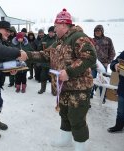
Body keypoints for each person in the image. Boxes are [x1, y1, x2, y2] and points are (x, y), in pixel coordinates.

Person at [25, 9, 96, 151]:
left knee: (77, 118)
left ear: (63, 25)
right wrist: (26, 55)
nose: (55, 29)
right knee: (65, 114)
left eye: (56, 26)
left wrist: (69, 72)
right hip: (64, 87)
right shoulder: (59, 42)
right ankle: (65, 139)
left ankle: (80, 147)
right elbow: (45, 55)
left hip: (78, 88)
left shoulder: (78, 37)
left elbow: (89, 56)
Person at [91, 25, 116, 102]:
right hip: (93, 64)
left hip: (103, 65)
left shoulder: (108, 40)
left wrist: (108, 62)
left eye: (99, 31)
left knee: (103, 81)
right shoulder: (92, 40)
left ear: (102, 31)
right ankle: (90, 95)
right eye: (96, 31)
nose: (97, 32)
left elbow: (112, 52)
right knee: (91, 80)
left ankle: (103, 98)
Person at [107, 51, 124, 133]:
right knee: (120, 110)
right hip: (122, 87)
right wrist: (115, 65)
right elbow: (113, 63)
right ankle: (119, 126)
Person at [38, 26, 56, 94]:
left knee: (53, 77)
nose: (51, 34)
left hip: (53, 62)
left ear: (54, 32)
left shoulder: (57, 39)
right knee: (43, 76)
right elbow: (39, 48)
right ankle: (42, 89)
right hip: (45, 61)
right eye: (49, 32)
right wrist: (41, 46)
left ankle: (54, 90)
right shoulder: (44, 39)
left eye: (52, 32)